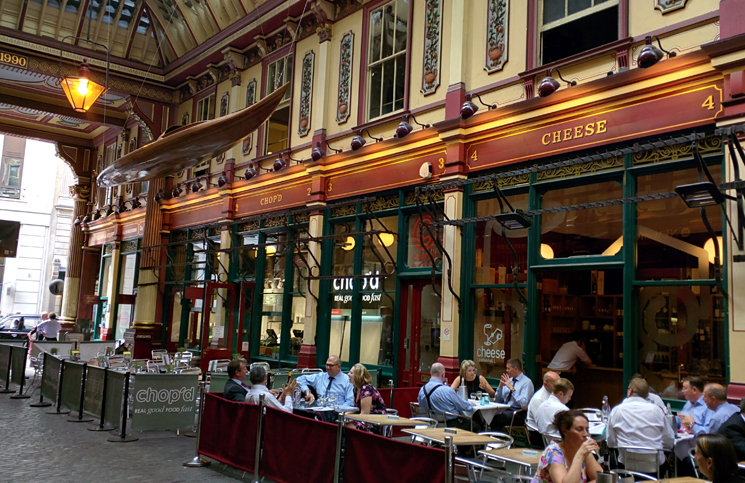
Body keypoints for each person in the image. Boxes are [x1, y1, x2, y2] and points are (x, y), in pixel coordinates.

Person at [607, 378, 673, 472]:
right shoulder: (657, 411)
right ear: (647, 395)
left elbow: (610, 442)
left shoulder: (617, 411)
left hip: (626, 467)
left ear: (629, 392)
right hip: (654, 470)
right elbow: (669, 441)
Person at [530, 410, 602, 483]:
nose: (586, 434)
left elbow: (603, 479)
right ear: (564, 431)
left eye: (587, 429)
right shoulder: (553, 453)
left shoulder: (583, 451)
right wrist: (579, 456)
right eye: (579, 429)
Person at [417, 362, 479, 432]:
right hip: (451, 425)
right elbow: (463, 406)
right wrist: (471, 404)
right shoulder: (447, 391)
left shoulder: (422, 390)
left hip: (432, 424)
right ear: (442, 374)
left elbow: (421, 405)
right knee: (477, 427)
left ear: (430, 372)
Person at [492, 358, 535, 430]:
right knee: (490, 416)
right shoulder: (509, 380)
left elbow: (524, 404)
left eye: (508, 369)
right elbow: (498, 401)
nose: (506, 371)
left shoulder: (527, 383)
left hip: (518, 411)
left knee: (498, 419)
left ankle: (498, 439)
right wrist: (500, 387)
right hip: (505, 408)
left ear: (515, 369)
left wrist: (512, 389)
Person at [347, 363, 387, 433]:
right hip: (365, 419)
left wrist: (350, 419)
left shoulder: (367, 389)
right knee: (341, 422)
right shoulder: (356, 389)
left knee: (347, 425)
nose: (348, 374)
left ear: (358, 376)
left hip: (376, 421)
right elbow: (357, 409)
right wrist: (345, 414)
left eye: (351, 373)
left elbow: (364, 414)